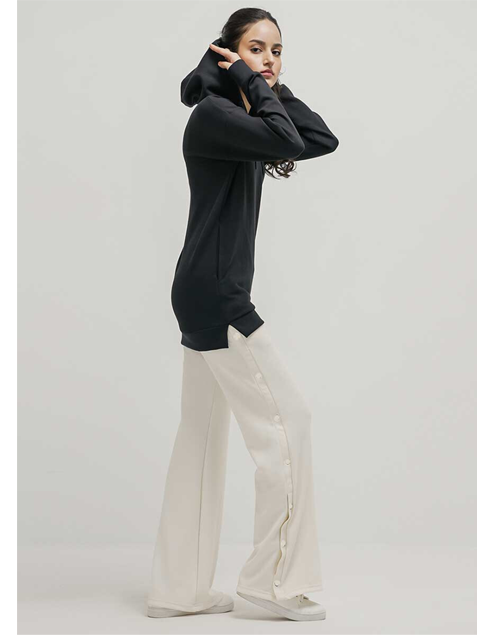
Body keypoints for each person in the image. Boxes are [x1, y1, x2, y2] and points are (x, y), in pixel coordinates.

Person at [146, 8, 339, 623]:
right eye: (256, 48)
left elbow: (320, 138)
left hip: (202, 289)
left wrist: (262, 85)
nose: (270, 59)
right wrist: (253, 83)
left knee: (201, 438)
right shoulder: (214, 115)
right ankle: (274, 584)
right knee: (290, 420)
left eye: (277, 50)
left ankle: (178, 590)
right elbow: (288, 141)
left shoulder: (241, 114)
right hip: (220, 295)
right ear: (226, 52)